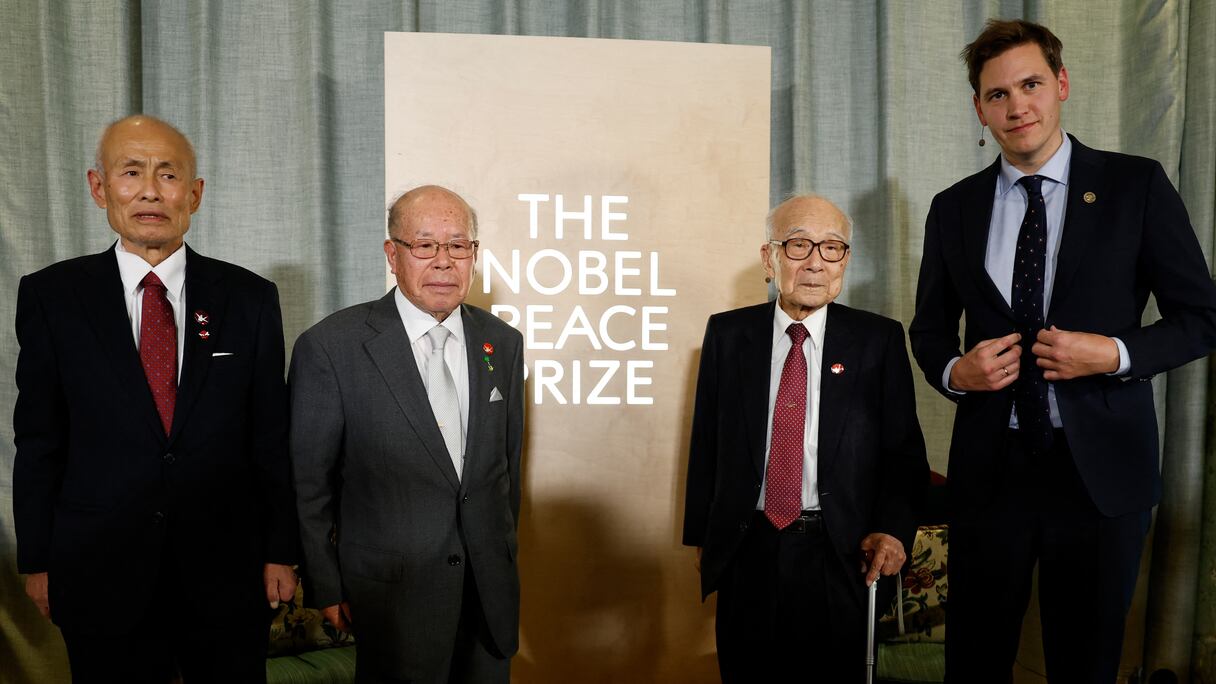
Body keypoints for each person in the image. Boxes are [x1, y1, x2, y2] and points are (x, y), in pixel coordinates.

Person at [910, 19, 1216, 682]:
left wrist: (1114, 354)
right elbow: (928, 331)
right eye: (998, 94)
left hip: (1100, 475)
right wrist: (956, 371)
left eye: (1031, 85)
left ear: (1062, 84)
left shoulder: (1135, 186)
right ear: (979, 109)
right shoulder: (953, 208)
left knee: (1085, 665)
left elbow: (1201, 318)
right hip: (991, 474)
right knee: (975, 663)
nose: (1017, 106)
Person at [13, 115, 299, 683]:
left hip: (227, 571)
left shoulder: (249, 298)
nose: (150, 191)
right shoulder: (52, 296)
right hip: (97, 568)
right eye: (131, 172)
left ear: (194, 194)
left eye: (168, 175)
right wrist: (38, 559)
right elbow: (39, 440)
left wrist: (281, 550)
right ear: (99, 187)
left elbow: (269, 436)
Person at [682, 194, 928, 681]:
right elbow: (706, 442)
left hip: (840, 553)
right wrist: (702, 539)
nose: (816, 262)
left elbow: (903, 454)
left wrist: (894, 530)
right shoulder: (728, 334)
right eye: (798, 245)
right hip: (747, 550)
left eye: (831, 247)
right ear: (769, 258)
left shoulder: (877, 340)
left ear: (845, 262)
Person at [290, 185, 524, 683]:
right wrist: (326, 584)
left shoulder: (502, 342)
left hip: (488, 598)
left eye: (457, 245)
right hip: (390, 600)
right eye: (424, 245)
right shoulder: (331, 347)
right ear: (392, 255)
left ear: (474, 255)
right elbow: (309, 484)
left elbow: (506, 468)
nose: (444, 261)